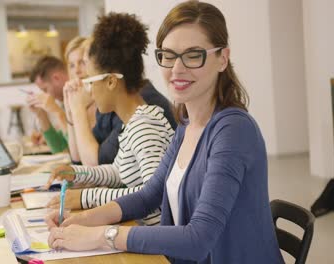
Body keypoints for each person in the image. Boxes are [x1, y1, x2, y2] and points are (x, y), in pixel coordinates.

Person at [45, 1, 285, 263]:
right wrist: (81, 219)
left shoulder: (233, 130)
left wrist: (101, 235)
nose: (177, 69)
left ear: (222, 58)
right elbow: (149, 195)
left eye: (194, 55)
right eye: (168, 55)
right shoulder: (186, 124)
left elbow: (199, 238)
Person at [45, 12, 175, 226]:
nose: (89, 90)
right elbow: (118, 172)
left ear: (112, 82)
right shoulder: (134, 121)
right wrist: (77, 173)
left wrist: (85, 198)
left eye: (91, 81)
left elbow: (154, 197)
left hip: (155, 249)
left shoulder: (145, 126)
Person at [62, 37, 98, 164]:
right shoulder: (79, 102)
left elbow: (93, 165)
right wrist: (69, 109)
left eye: (81, 62)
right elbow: (76, 158)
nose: (77, 70)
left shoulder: (104, 103)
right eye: (71, 65)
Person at [27, 56, 69, 153]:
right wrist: (41, 115)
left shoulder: (82, 102)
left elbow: (76, 152)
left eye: (45, 89)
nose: (46, 95)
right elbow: (59, 148)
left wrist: (56, 111)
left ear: (56, 78)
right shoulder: (65, 103)